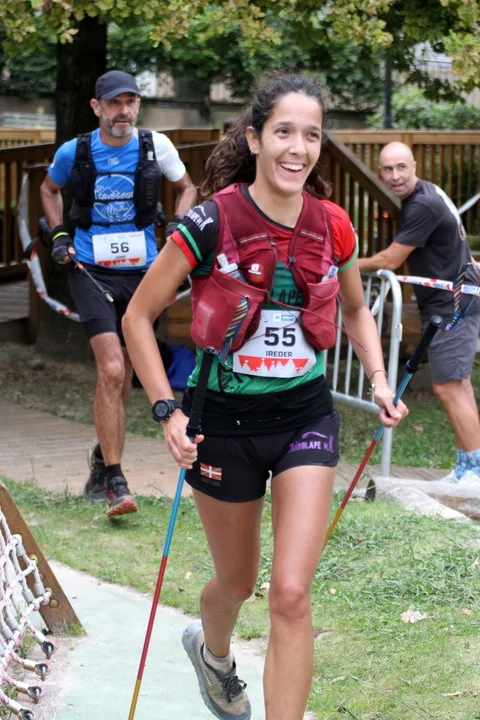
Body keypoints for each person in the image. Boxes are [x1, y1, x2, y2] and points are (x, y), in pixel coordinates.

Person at [123, 74, 408, 720]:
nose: (298, 148)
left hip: (305, 416)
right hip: (222, 423)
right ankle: (213, 655)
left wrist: (378, 379)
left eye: (312, 135)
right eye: (284, 131)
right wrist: (167, 411)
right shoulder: (211, 222)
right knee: (237, 582)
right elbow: (137, 317)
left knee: (290, 593)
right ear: (254, 138)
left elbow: (355, 312)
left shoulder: (332, 225)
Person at [40, 70, 197, 517]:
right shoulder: (75, 151)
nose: (123, 111)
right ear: (97, 107)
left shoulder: (156, 146)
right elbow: (49, 190)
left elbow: (188, 187)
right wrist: (59, 234)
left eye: (130, 102)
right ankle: (115, 480)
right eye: (114, 103)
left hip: (144, 275)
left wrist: (178, 226)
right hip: (90, 270)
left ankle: (101, 457)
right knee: (111, 367)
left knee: (124, 372)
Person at [357, 141, 480, 486]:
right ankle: (467, 468)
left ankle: (475, 472)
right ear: (380, 171)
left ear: (414, 166)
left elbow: (390, 260)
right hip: (455, 301)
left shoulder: (422, 204)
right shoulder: (426, 194)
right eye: (388, 169)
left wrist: (345, 266)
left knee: (448, 387)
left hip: (452, 305)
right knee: (457, 387)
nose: (395, 176)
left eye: (401, 167)